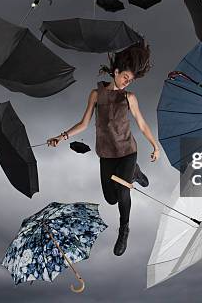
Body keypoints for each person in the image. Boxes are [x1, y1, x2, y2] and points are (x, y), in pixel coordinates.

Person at [47, 41, 160, 256]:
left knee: (123, 190)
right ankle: (135, 172)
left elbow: (142, 123)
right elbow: (83, 123)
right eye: (125, 77)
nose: (127, 82)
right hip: (106, 154)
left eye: (130, 80)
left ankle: (124, 229)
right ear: (116, 72)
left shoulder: (129, 98)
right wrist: (61, 137)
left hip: (127, 151)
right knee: (111, 198)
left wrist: (155, 146)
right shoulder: (96, 94)